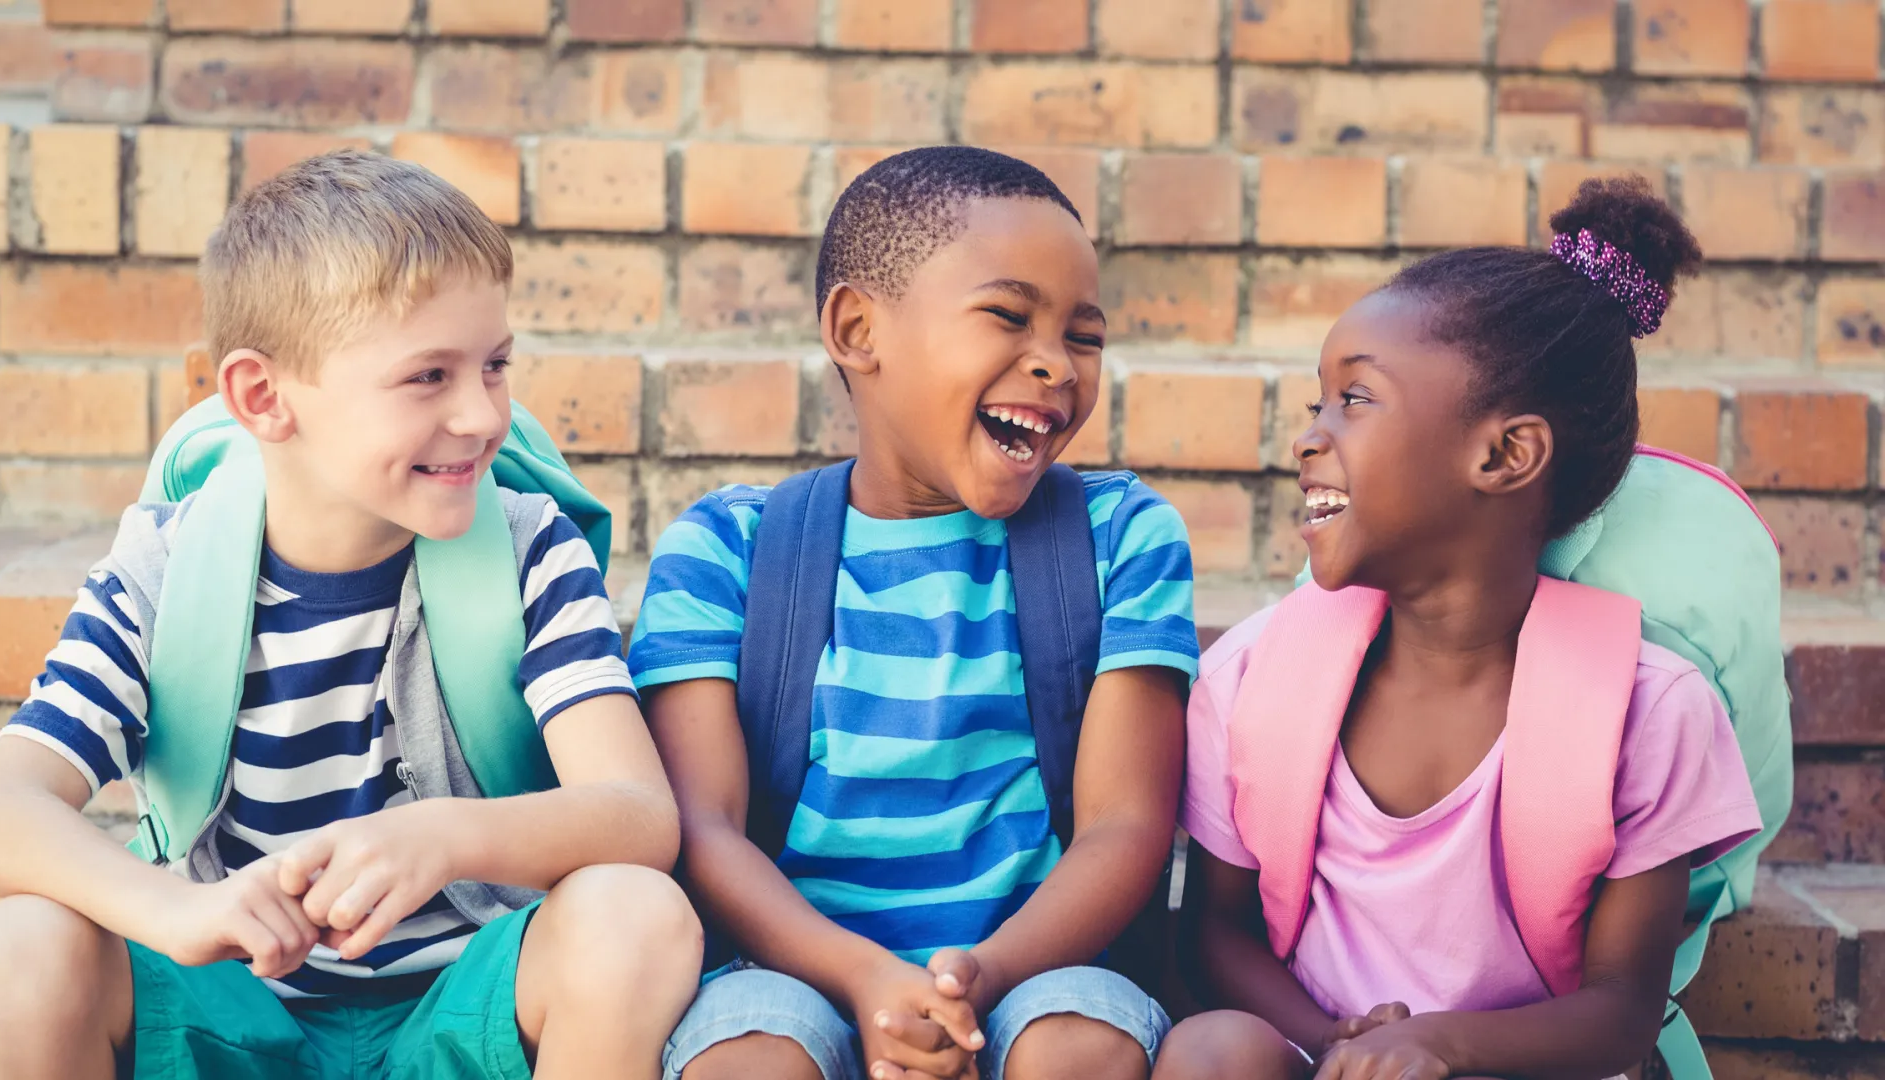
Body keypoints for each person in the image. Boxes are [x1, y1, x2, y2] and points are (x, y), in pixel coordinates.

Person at [0, 151, 701, 1080]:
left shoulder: (527, 548)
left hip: (464, 1012)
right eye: (428, 376)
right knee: (19, 944)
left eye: (496, 364)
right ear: (264, 398)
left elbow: (640, 816)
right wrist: (173, 910)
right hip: (234, 1015)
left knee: (635, 915)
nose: (482, 415)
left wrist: (443, 837)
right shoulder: (164, 572)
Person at [1156, 178, 1764, 1080]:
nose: (1310, 437)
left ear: (1503, 455)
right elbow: (1212, 932)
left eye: (1355, 399)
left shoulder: (1648, 709)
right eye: (1316, 404)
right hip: (1316, 1054)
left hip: (1514, 1066)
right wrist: (1341, 1045)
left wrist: (1437, 1047)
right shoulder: (1252, 679)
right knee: (1212, 1052)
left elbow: (1622, 1012)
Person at [632, 147, 1201, 1080]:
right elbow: (706, 828)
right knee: (748, 1056)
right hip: (787, 971)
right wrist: (866, 981)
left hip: (1038, 971)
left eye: (1084, 336)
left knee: (1078, 1042)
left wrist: (975, 983)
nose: (1054, 363)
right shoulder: (726, 550)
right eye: (1008, 316)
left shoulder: (1120, 537)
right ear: (858, 329)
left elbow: (1125, 827)